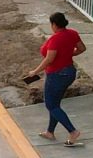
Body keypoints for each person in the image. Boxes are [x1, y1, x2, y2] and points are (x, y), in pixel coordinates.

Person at [29, 11, 86, 146]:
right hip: (69, 72)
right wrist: (68, 54)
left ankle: (72, 131)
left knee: (51, 105)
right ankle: (50, 132)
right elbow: (82, 48)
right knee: (55, 104)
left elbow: (49, 59)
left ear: (54, 24)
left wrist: (35, 71)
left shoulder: (55, 39)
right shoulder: (72, 33)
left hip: (56, 75)